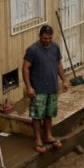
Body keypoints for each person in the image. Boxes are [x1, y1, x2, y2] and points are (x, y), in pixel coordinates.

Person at [22, 25, 69, 153]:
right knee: (37, 115)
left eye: (49, 38)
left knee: (49, 113)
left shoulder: (55, 47)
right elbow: (25, 67)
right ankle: (38, 139)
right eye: (44, 38)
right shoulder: (32, 50)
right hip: (38, 89)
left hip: (52, 87)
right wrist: (29, 87)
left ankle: (48, 135)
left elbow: (59, 65)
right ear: (40, 36)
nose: (47, 41)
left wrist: (64, 80)